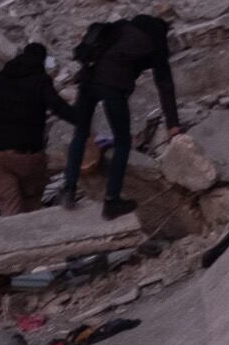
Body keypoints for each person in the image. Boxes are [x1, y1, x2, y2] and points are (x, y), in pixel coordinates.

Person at [60, 13, 180, 218]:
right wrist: (173, 124)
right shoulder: (155, 41)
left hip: (88, 81)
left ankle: (68, 189)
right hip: (112, 87)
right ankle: (112, 201)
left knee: (81, 131)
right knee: (123, 142)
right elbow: (164, 84)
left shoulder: (120, 28)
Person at [0, 42, 67, 214]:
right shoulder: (40, 80)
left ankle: (11, 238)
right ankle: (35, 238)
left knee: (9, 206)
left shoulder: (2, 78)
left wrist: (1, 129)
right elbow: (59, 107)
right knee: (31, 204)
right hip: (28, 155)